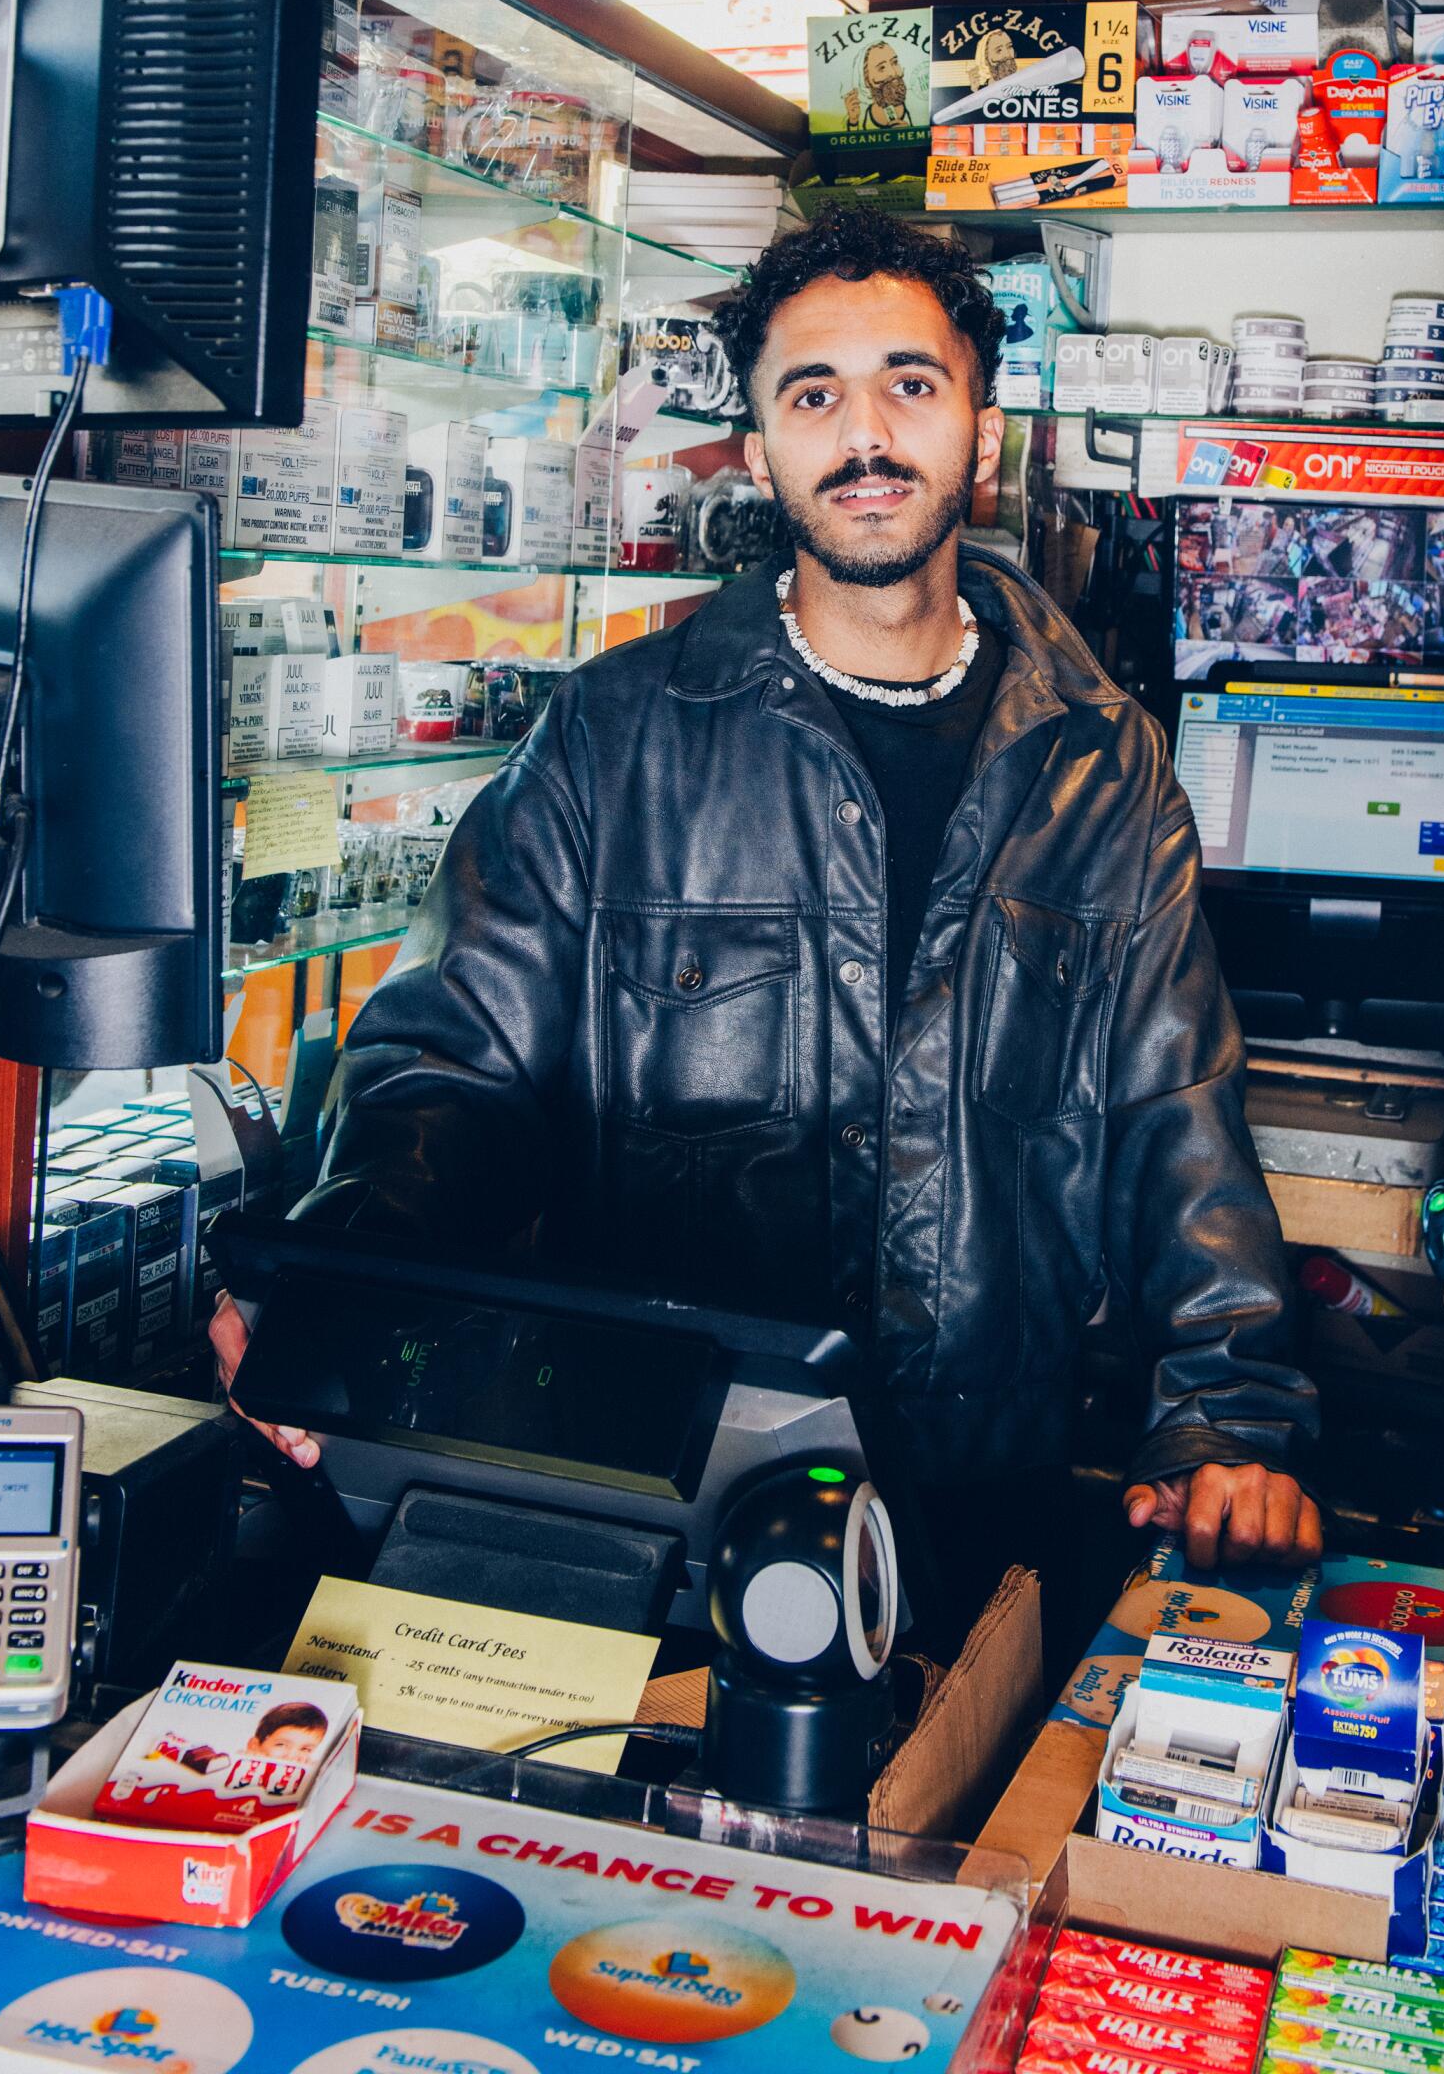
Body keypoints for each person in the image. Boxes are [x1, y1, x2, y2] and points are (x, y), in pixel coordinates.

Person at [212, 205, 1319, 1585]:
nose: (865, 438)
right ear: (759, 452)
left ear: (981, 435)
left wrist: (1227, 1418)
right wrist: (336, 1285)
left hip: (990, 1482)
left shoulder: (1100, 760)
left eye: (911, 387)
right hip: (658, 1474)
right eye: (814, 396)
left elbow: (1177, 1112)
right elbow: (453, 1069)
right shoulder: (615, 738)